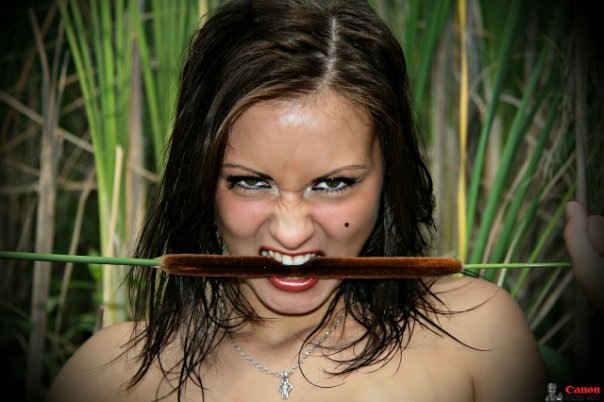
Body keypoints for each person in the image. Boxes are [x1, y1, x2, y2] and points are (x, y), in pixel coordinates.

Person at [45, 0, 602, 401]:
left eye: (333, 184)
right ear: (201, 179)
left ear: (389, 177)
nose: (291, 233)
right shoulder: (106, 376)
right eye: (250, 182)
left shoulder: (478, 331)